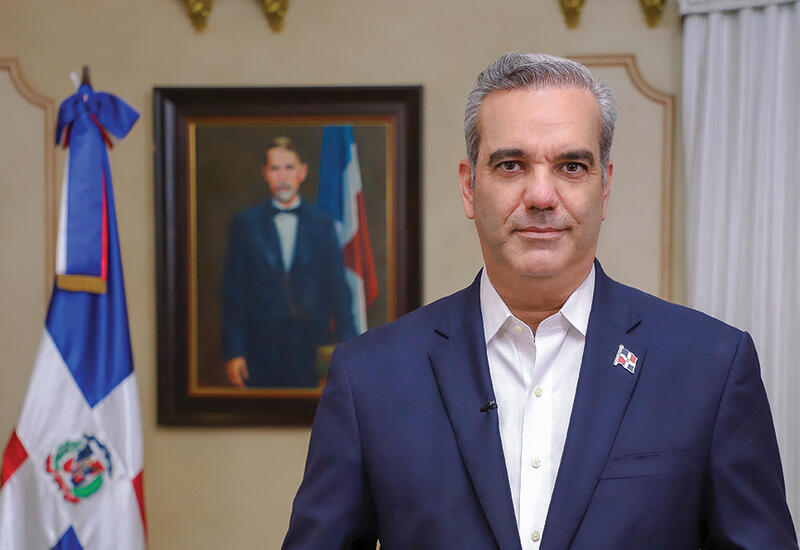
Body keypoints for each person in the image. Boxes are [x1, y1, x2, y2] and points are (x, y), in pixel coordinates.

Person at [282, 54, 797, 549]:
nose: (541, 196)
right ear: (469, 187)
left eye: (571, 166)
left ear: (604, 187)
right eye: (511, 165)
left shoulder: (710, 366)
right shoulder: (369, 376)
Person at [220, 137, 356, 388]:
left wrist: (350, 349)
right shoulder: (246, 224)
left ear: (302, 172)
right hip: (259, 350)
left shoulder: (322, 223)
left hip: (311, 350)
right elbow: (233, 294)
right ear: (265, 173)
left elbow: (338, 290)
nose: (282, 176)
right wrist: (234, 352)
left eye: (289, 168)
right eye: (275, 168)